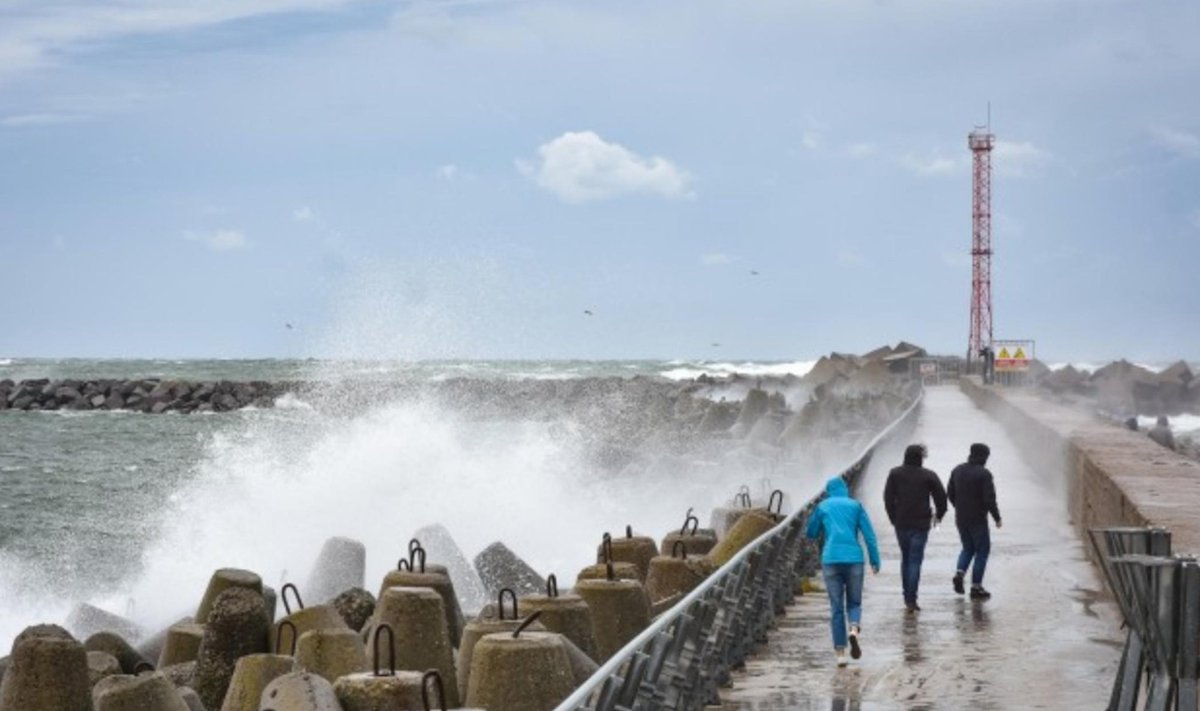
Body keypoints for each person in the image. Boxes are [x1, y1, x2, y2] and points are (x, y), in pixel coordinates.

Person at [806, 476, 882, 667]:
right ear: (845, 489)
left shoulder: (823, 506)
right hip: (854, 559)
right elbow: (869, 535)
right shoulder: (855, 506)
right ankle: (854, 630)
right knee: (854, 602)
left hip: (831, 559)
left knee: (836, 607)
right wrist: (875, 560)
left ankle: (840, 653)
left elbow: (811, 533)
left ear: (829, 491)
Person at [883, 443, 947, 612]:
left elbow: (888, 498)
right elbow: (942, 498)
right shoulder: (928, 475)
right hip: (920, 524)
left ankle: (907, 596)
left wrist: (893, 518)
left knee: (906, 558)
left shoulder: (895, 473)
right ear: (920, 457)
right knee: (915, 560)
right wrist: (938, 516)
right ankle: (912, 598)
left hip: (901, 523)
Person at [947, 443, 1002, 600]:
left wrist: (959, 506)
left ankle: (960, 573)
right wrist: (997, 517)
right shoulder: (984, 474)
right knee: (982, 551)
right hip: (978, 519)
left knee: (967, 548)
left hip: (961, 518)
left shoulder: (957, 470)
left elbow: (950, 493)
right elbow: (989, 499)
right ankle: (976, 587)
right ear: (984, 456)